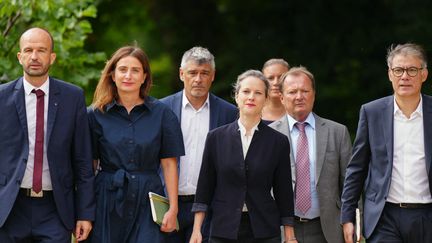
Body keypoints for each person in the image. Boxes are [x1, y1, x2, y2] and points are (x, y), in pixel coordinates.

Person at [0, 27, 95, 242]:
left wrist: (85, 214)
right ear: (19, 56)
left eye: (41, 50)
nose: (34, 56)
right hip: (9, 208)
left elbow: (83, 160)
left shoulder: (73, 97)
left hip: (55, 209)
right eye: (29, 50)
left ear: (52, 57)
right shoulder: (1, 98)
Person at [88, 46, 184, 242]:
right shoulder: (95, 114)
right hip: (107, 197)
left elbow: (169, 164)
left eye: (135, 70)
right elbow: (90, 165)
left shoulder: (163, 114)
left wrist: (173, 208)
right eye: (123, 69)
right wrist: (84, 210)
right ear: (112, 75)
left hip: (148, 198)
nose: (128, 76)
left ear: (144, 77)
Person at [190, 70, 297, 243]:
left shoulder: (278, 142)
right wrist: (197, 230)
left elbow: (283, 191)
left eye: (258, 93)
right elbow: (205, 187)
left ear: (266, 99)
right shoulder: (215, 138)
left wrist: (290, 235)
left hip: (265, 230)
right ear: (236, 95)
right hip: (223, 228)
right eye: (246, 91)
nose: (251, 97)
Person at [341, 43, 432, 243]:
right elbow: (357, 168)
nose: (404, 76)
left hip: (428, 216)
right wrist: (347, 216)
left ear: (424, 74)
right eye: (398, 70)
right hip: (384, 217)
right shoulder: (371, 112)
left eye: (412, 70)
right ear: (390, 74)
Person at [160, 46, 237, 243]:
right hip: (167, 204)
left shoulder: (229, 113)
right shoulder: (161, 109)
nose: (198, 79)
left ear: (213, 76)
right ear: (181, 74)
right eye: (193, 73)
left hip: (210, 207)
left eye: (205, 73)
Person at [269, 66, 352, 243]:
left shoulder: (337, 132)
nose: (299, 96)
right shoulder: (268, 135)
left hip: (328, 229)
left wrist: (351, 220)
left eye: (305, 91)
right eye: (292, 92)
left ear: (314, 94)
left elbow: (350, 183)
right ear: (282, 97)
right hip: (282, 229)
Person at [261, 58, 290, 124]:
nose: (276, 82)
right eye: (270, 78)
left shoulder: (298, 113)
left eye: (281, 77)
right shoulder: (251, 112)